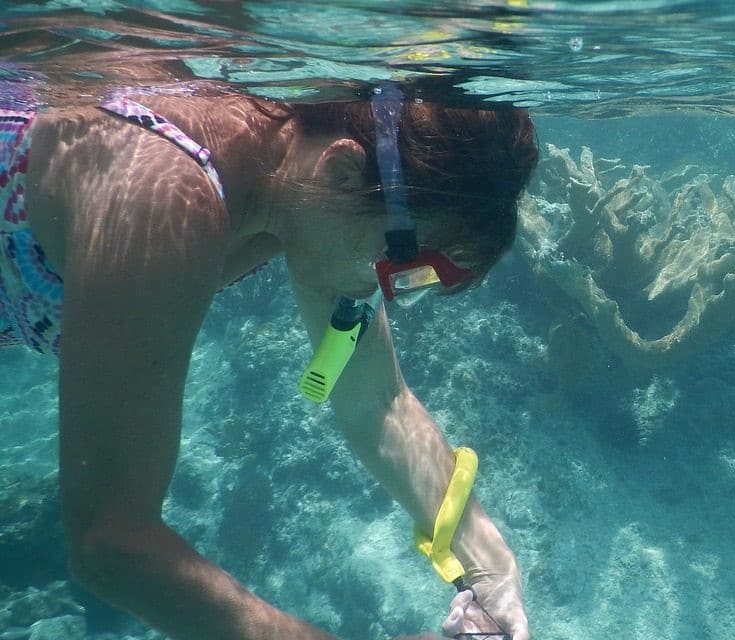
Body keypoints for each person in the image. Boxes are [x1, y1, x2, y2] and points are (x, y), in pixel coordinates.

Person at [0, 81, 537, 640]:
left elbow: (380, 402)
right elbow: (109, 540)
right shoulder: (165, 199)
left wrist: (489, 563)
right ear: (340, 172)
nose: (385, 286)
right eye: (405, 265)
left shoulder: (298, 191)